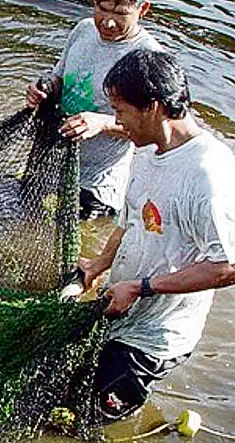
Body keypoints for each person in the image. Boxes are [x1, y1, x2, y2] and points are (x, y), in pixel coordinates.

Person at [79, 49, 235, 421]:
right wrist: (101, 263)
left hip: (155, 337)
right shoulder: (147, 150)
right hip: (123, 308)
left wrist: (141, 287)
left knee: (89, 426)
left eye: (120, 111)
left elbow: (226, 267)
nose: (116, 121)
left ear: (152, 107)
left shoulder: (208, 177)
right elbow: (131, 219)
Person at [26, 0, 162, 220]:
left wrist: (101, 123)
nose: (108, 23)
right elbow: (60, 77)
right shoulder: (84, 29)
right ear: (94, 2)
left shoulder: (148, 58)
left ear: (142, 9)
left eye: (120, 14)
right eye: (103, 9)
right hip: (53, 159)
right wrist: (43, 88)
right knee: (25, 218)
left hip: (95, 183)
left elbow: (151, 130)